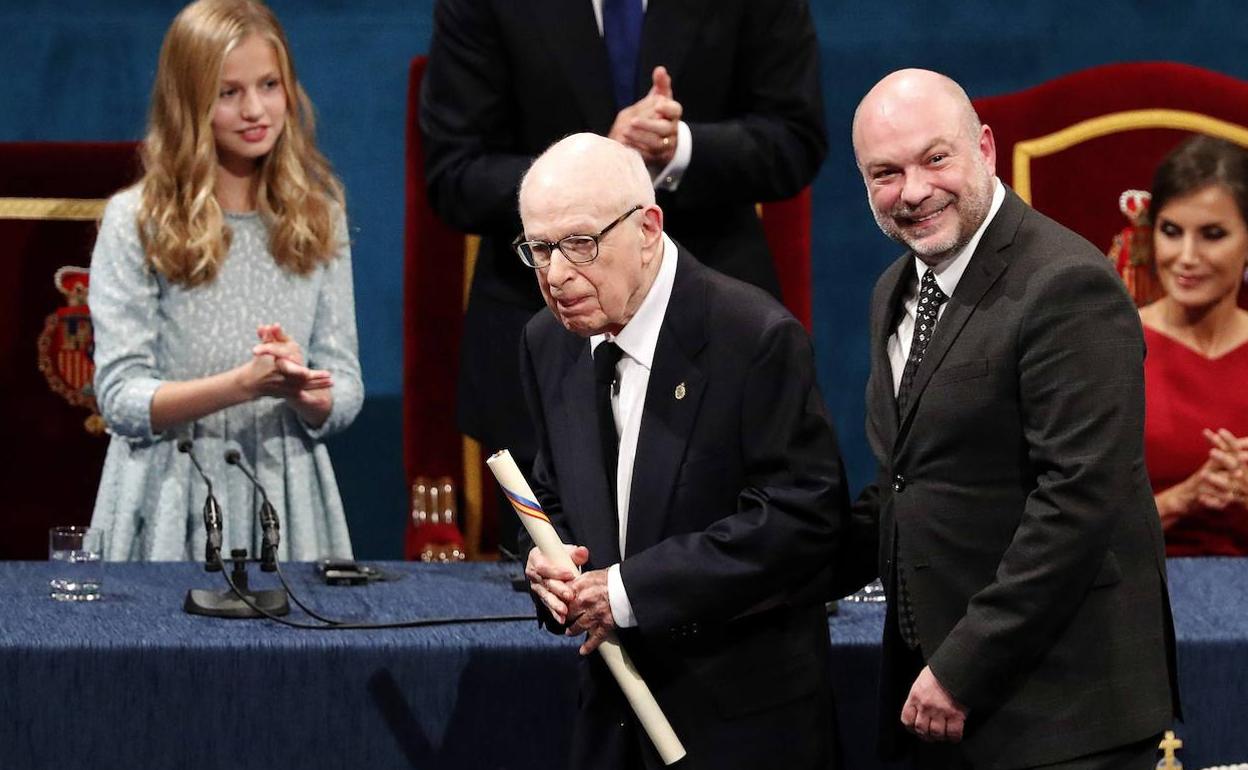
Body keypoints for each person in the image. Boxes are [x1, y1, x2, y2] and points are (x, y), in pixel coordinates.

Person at [845, 69, 1179, 768]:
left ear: (986, 149)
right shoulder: (892, 291)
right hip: (936, 706)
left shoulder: (1065, 284)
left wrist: (962, 668)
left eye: (935, 158)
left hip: (1064, 717)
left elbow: (1079, 501)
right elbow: (905, 489)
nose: (912, 191)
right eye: (885, 172)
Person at [420, 0, 827, 551]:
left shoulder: (758, 342)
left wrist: (677, 149)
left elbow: (795, 137)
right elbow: (454, 174)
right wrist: (597, 168)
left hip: (709, 342)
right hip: (538, 339)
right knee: (554, 594)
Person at [518, 134, 848, 769]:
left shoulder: (752, 337)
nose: (557, 276)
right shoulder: (546, 341)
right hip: (611, 725)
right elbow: (554, 491)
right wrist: (550, 570)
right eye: (539, 249)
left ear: (648, 228)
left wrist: (623, 591)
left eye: (581, 245)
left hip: (738, 727)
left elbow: (800, 520)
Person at [89, 0, 362, 561]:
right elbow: (119, 396)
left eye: (269, 84)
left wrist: (303, 388)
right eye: (228, 92)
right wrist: (240, 385)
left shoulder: (318, 215)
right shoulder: (137, 219)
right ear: (188, 102)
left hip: (284, 493)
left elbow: (346, 386)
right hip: (170, 491)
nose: (256, 109)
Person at [1139, 135, 1248, 554]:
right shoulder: (1111, 348)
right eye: (1171, 231)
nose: (1186, 256)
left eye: (1212, 234)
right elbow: (1068, 526)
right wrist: (1184, 499)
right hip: (1139, 595)